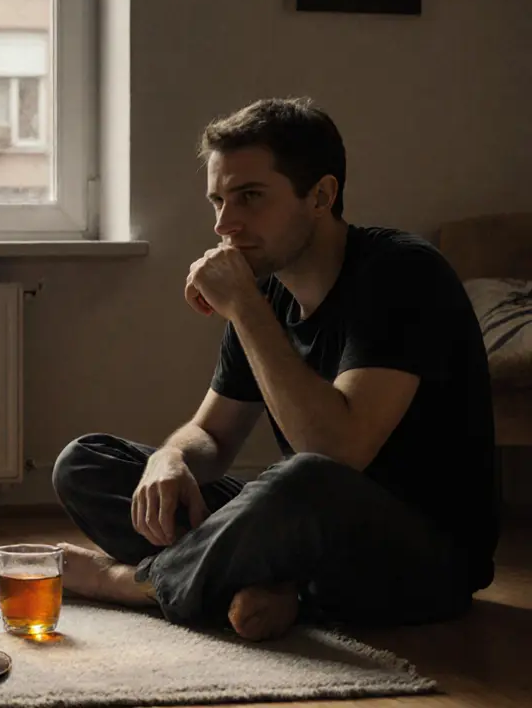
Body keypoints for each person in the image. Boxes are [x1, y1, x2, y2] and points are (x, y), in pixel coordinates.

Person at [51, 97, 500, 641]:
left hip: (424, 559)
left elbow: (338, 451)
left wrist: (243, 307)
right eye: (218, 200)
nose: (224, 223)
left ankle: (133, 584)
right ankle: (271, 589)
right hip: (304, 536)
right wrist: (171, 459)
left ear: (321, 196)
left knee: (306, 478)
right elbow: (212, 436)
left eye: (249, 198)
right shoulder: (266, 289)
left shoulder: (402, 274)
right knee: (87, 462)